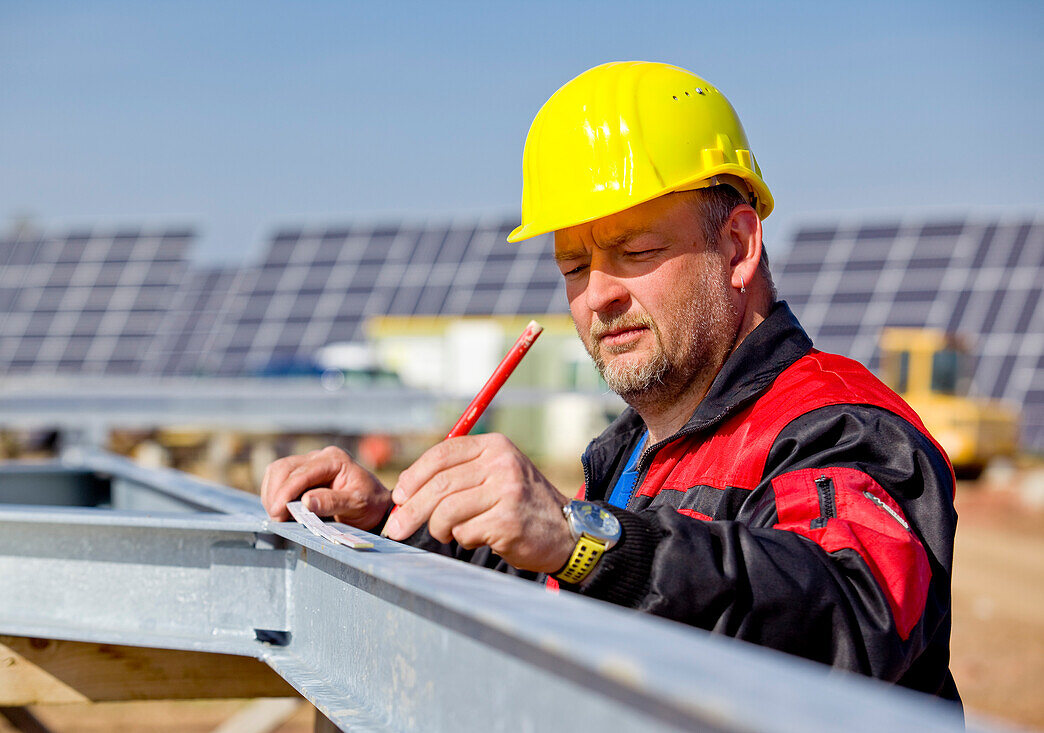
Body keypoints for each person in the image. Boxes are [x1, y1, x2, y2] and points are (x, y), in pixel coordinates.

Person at [260, 62, 959, 704]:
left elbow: (851, 617)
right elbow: (571, 584)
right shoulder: (630, 450)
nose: (597, 295)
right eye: (573, 265)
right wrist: (389, 521)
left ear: (738, 247)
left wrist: (582, 534)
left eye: (636, 250)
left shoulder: (841, 426)